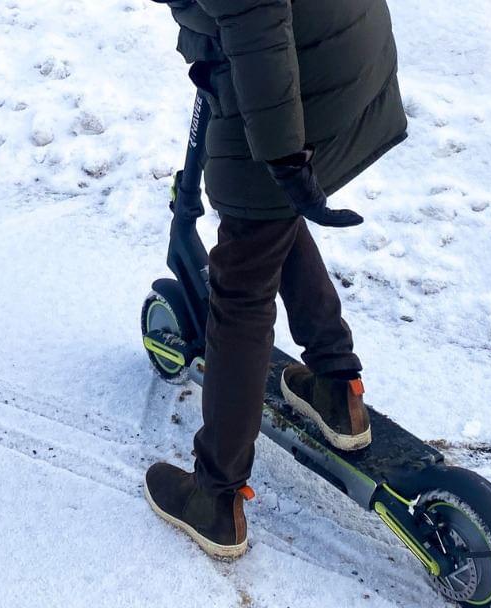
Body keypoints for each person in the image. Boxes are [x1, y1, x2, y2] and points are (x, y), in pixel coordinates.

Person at [144, 0, 408, 559]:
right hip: (340, 54)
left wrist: (284, 157)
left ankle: (215, 498)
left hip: (294, 80)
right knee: (266, 216)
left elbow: (258, 21)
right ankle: (336, 385)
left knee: (242, 286)